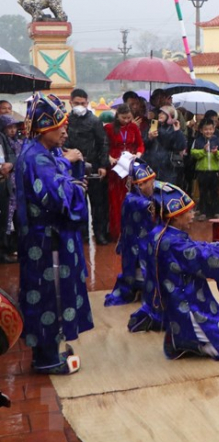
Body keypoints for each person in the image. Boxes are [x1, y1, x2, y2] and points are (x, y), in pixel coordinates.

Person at [16, 94, 92, 374]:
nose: (65, 132)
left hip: (45, 240)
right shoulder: (37, 157)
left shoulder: (40, 152)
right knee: (50, 295)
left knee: (50, 294)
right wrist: (75, 181)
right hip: (45, 241)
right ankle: (46, 359)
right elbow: (58, 196)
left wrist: (66, 168)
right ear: (45, 128)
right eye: (60, 127)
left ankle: (50, 349)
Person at [152, 182, 219, 361]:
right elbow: (206, 258)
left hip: (179, 297)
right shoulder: (172, 243)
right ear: (174, 217)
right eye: (188, 212)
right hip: (185, 304)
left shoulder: (161, 234)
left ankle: (183, 338)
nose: (192, 215)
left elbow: (198, 249)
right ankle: (185, 342)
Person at [105, 158, 157, 306]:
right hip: (136, 244)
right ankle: (139, 289)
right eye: (148, 181)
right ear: (139, 185)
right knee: (139, 267)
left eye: (152, 180)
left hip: (147, 241)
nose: (153, 184)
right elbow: (150, 207)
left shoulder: (150, 196)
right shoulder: (133, 200)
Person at [65, 88, 110, 245]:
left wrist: (103, 165)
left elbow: (103, 143)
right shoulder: (66, 121)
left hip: (95, 166)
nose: (79, 106)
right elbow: (62, 143)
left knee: (98, 203)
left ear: (87, 102)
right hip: (74, 167)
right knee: (78, 202)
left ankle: (100, 233)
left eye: (82, 103)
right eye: (76, 103)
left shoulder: (95, 121)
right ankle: (82, 234)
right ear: (70, 103)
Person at [105, 104, 144, 241]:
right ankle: (117, 232)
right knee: (116, 200)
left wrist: (138, 154)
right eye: (123, 118)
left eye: (129, 118)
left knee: (131, 197)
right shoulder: (109, 128)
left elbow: (140, 144)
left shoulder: (133, 127)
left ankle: (132, 231)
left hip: (130, 166)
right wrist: (109, 157)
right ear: (117, 116)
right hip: (116, 166)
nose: (126, 120)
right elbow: (105, 146)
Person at [191, 118, 219, 221]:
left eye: (210, 129)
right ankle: (203, 212)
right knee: (203, 192)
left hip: (214, 170)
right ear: (201, 130)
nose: (208, 132)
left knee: (215, 191)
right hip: (202, 171)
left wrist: (216, 153)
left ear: (214, 130)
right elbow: (193, 153)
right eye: (206, 130)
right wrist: (203, 151)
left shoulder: (217, 140)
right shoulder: (197, 141)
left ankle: (215, 211)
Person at [143, 105, 187, 187]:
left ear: (171, 116)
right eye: (160, 112)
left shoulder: (174, 130)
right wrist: (149, 138)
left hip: (168, 169)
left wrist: (177, 132)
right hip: (152, 167)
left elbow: (180, 146)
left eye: (164, 113)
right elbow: (143, 146)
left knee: (166, 193)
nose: (160, 114)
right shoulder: (153, 127)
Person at [0, 115, 22, 264]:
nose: (13, 130)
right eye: (10, 127)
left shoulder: (16, 141)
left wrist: (11, 165)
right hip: (5, 181)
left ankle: (9, 247)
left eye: (15, 127)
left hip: (10, 182)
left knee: (10, 216)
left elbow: (13, 157)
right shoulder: (3, 138)